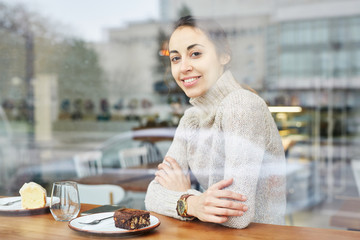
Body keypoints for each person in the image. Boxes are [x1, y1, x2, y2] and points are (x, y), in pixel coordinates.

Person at [145, 15, 286, 229]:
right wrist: (192, 203)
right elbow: (152, 195)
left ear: (224, 55)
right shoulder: (191, 119)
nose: (184, 67)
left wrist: (184, 198)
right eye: (175, 58)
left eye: (195, 54)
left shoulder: (241, 105)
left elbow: (236, 214)